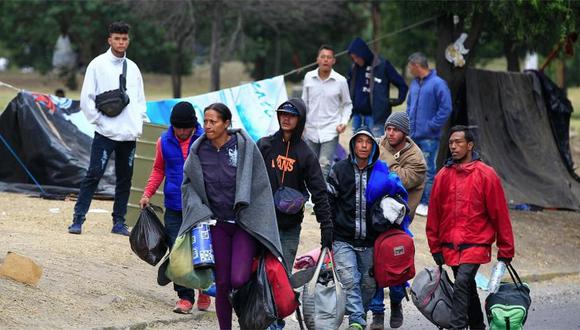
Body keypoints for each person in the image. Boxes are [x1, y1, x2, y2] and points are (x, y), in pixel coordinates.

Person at [180, 103, 283, 330]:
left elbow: (259, 184)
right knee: (224, 283)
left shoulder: (244, 147)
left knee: (239, 278)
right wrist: (200, 210)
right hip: (217, 224)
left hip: (244, 223)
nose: (207, 126)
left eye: (213, 121)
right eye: (205, 121)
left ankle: (249, 313)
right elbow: (189, 186)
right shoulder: (199, 150)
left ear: (226, 123)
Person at [426, 125, 515, 330]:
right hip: (450, 246)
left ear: (470, 145)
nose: (454, 147)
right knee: (466, 287)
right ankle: (477, 326)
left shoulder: (487, 175)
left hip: (476, 244)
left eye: (458, 142)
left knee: (462, 283)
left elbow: (499, 215)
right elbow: (434, 216)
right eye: (451, 143)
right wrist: (435, 247)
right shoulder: (442, 176)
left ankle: (457, 327)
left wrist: (506, 250)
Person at [258, 98, 333, 330]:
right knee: (258, 274)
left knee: (280, 277)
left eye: (291, 115)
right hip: (261, 225)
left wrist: (326, 228)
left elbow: (320, 192)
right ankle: (258, 319)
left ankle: (275, 323)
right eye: (282, 114)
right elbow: (248, 180)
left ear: (299, 120)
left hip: (289, 227)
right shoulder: (265, 145)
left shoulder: (306, 154)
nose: (286, 118)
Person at [68, 21, 147, 235]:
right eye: (117, 38)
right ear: (109, 40)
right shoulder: (97, 64)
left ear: (128, 41)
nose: (121, 42)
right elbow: (87, 99)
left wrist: (138, 124)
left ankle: (118, 222)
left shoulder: (133, 67)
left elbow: (140, 100)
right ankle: (78, 219)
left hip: (128, 135)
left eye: (124, 39)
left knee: (125, 179)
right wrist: (100, 122)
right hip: (105, 133)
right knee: (93, 174)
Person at [327, 126, 407, 330]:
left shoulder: (381, 171)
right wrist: (328, 231)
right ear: (353, 144)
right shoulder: (339, 170)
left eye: (368, 142)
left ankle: (357, 316)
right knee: (351, 281)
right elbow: (329, 202)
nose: (363, 145)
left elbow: (396, 198)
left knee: (369, 285)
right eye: (359, 141)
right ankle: (357, 321)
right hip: (343, 239)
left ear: (372, 146)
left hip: (372, 241)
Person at [138, 101, 211, 314]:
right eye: (178, 127)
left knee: (201, 249)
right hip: (173, 205)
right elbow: (158, 169)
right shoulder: (164, 141)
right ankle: (185, 297)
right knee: (177, 252)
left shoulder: (205, 140)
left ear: (193, 125)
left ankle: (204, 287)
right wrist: (147, 194)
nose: (181, 131)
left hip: (199, 206)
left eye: (185, 127)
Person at [369, 111, 427, 329]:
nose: (390, 133)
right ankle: (376, 313)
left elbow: (394, 180)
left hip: (399, 224)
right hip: (374, 219)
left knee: (396, 266)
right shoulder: (378, 143)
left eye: (395, 129)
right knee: (374, 266)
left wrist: (377, 160)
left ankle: (396, 303)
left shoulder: (416, 158)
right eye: (388, 128)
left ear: (405, 133)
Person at [406, 52, 452, 217]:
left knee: (428, 170)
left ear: (417, 66)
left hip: (429, 137)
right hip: (413, 135)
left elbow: (446, 108)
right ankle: (413, 200)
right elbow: (410, 105)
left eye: (410, 67)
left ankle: (426, 203)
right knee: (412, 167)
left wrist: (432, 126)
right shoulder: (415, 84)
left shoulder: (438, 84)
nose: (409, 70)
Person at [301, 45, 352, 177]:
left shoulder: (340, 81)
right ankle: (309, 196)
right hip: (310, 129)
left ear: (333, 61)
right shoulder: (308, 77)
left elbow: (347, 104)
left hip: (330, 129)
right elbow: (303, 102)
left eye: (329, 57)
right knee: (309, 164)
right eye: (323, 57)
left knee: (324, 165)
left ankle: (321, 197)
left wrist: (344, 122)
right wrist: (301, 124)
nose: (325, 60)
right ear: (317, 59)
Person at [347, 37, 408, 137]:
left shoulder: (382, 65)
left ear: (363, 53)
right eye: (353, 58)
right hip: (357, 116)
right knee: (356, 149)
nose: (355, 60)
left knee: (377, 148)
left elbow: (401, 84)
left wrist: (397, 100)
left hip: (376, 118)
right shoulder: (354, 68)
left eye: (357, 57)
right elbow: (349, 87)